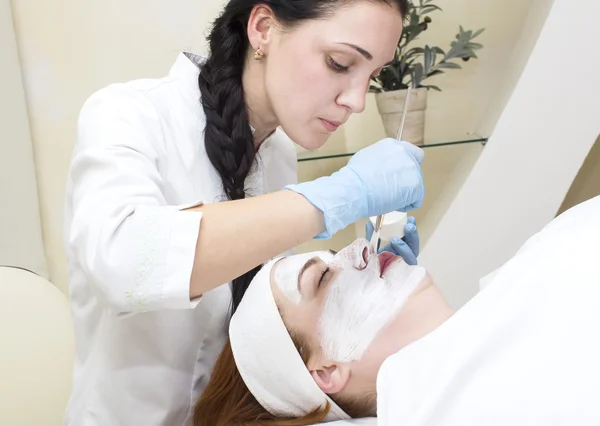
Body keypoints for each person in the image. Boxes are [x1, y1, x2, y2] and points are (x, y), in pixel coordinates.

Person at [62, 0, 422, 425]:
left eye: (373, 75)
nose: (357, 100)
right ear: (264, 28)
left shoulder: (278, 154)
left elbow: (263, 323)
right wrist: (339, 196)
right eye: (340, 63)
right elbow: (121, 261)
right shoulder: (129, 114)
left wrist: (356, 294)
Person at [194, 195, 600, 426]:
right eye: (321, 279)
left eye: (335, 253)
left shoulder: (507, 285)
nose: (360, 250)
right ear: (327, 372)